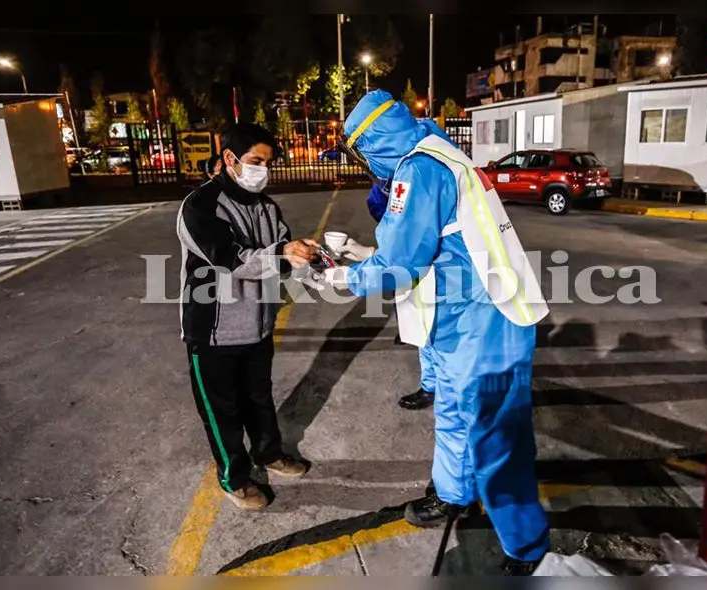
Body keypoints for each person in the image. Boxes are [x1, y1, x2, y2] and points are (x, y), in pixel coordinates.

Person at [326, 91, 551, 575]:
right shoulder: (435, 152)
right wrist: (364, 254)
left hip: (488, 322)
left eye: (360, 151)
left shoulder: (420, 169)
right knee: (451, 415)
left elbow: (401, 266)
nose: (363, 162)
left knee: (497, 440)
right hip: (455, 322)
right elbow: (426, 247)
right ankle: (453, 494)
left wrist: (341, 277)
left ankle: (526, 547)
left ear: (372, 142)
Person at [177, 122, 318, 510]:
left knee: (259, 399)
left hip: (257, 324)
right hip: (213, 331)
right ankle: (234, 479)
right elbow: (230, 260)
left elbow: (282, 261)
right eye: (256, 161)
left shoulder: (267, 207)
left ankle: (268, 454)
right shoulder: (201, 205)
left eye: (268, 163)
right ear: (229, 159)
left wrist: (306, 257)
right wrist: (281, 254)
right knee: (221, 411)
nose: (263, 170)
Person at [365, 181, 437, 411]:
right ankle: (431, 387)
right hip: (410, 260)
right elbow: (377, 205)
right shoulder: (386, 180)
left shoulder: (426, 174)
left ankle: (448, 388)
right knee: (423, 328)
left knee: (440, 331)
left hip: (440, 265)